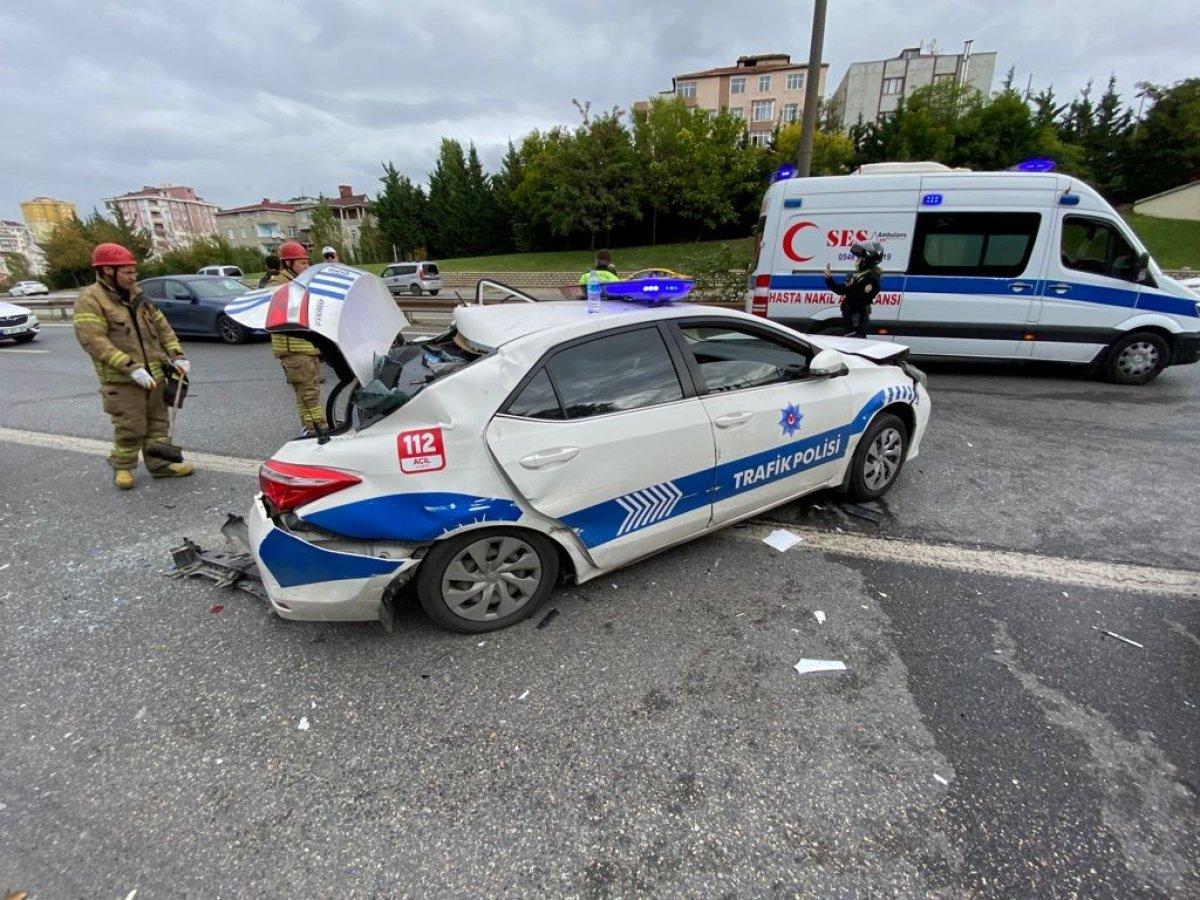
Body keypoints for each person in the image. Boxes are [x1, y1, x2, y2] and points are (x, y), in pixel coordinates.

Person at [73, 243, 193, 489]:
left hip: (155, 375)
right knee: (130, 425)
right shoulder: (90, 299)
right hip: (122, 380)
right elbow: (94, 341)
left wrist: (177, 355)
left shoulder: (139, 296)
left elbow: (162, 327)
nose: (133, 277)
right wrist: (131, 367)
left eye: (134, 272)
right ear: (108, 271)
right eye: (127, 272)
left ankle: (160, 464)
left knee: (158, 423)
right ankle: (123, 467)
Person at [266, 240, 327, 436]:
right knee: (308, 393)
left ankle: (312, 427)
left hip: (306, 347)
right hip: (294, 348)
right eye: (302, 263)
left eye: (307, 263)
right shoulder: (279, 285)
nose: (306, 267)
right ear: (288, 264)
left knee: (308, 392)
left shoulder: (298, 282)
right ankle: (317, 429)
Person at [823, 241, 884, 337]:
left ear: (866, 261)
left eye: (859, 258)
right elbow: (840, 290)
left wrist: (850, 286)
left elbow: (858, 301)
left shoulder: (871, 281)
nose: (856, 261)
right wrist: (829, 278)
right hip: (849, 320)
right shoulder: (859, 277)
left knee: (854, 344)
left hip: (857, 323)